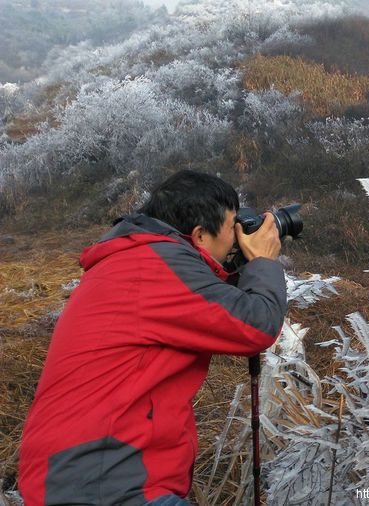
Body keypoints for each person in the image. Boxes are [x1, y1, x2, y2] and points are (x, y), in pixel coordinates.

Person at [17, 170, 287, 505]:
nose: (236, 239)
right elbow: (256, 324)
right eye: (232, 228)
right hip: (106, 481)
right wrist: (262, 261)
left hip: (80, 473)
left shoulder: (135, 260)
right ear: (200, 235)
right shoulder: (158, 266)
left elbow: (214, 305)